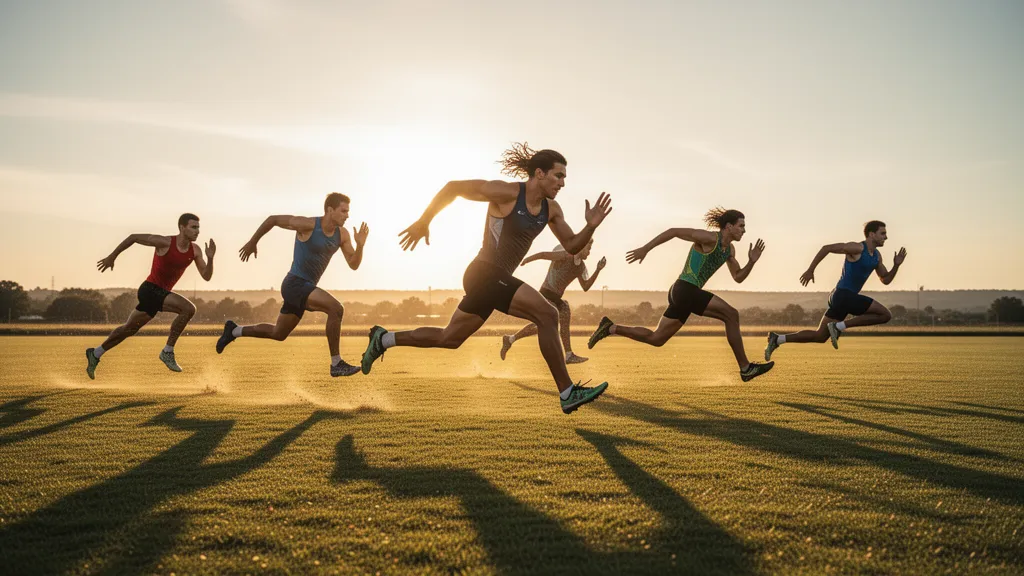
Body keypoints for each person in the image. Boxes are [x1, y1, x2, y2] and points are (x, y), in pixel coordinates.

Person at [361, 143, 613, 414]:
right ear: (539, 173)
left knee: (450, 338)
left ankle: (383, 339)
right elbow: (453, 187)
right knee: (548, 314)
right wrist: (425, 221)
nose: (563, 182)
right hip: (483, 273)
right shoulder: (506, 193)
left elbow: (573, 245)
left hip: (495, 281)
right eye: (558, 175)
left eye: (564, 177)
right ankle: (567, 393)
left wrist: (591, 226)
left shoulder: (551, 210)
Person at [588, 207, 774, 382]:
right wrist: (645, 248)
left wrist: (751, 262)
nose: (744, 230)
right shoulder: (709, 238)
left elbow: (738, 277)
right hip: (685, 289)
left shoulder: (729, 251)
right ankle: (745, 368)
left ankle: (610, 328)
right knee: (731, 315)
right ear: (729, 226)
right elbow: (673, 231)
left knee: (657, 338)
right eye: (741, 226)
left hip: (683, 294)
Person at [215, 193, 369, 377]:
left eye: (348, 212)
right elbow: (272, 220)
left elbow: (353, 264)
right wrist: (253, 241)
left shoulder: (342, 235)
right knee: (336, 308)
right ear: (330, 210)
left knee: (278, 333)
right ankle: (336, 363)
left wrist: (360, 246)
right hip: (294, 284)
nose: (347, 215)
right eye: (343, 211)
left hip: (304, 288)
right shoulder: (307, 225)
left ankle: (234, 330)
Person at [86, 213, 215, 379]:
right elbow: (133, 237)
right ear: (182, 228)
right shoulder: (165, 242)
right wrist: (112, 256)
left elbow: (206, 275)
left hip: (158, 296)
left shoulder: (195, 250)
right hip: (149, 290)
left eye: (198, 228)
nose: (197, 231)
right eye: (193, 227)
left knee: (128, 329)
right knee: (188, 309)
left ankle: (95, 353)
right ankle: (167, 351)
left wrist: (210, 258)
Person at [765, 221, 906, 360]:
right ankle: (839, 326)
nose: (886, 237)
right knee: (885, 315)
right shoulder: (857, 248)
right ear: (871, 234)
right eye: (883, 233)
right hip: (843, 295)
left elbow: (885, 279)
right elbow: (826, 248)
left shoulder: (876, 256)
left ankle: (777, 339)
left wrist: (896, 265)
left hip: (841, 298)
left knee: (820, 336)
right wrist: (810, 270)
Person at [500, 239, 606, 364]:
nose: (589, 252)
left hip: (556, 299)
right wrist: (527, 260)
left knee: (553, 318)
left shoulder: (581, 267)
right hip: (546, 294)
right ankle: (567, 354)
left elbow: (586, 286)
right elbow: (544, 255)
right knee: (546, 321)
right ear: (581, 246)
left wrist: (598, 269)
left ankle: (567, 354)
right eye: (588, 248)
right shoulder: (566, 255)